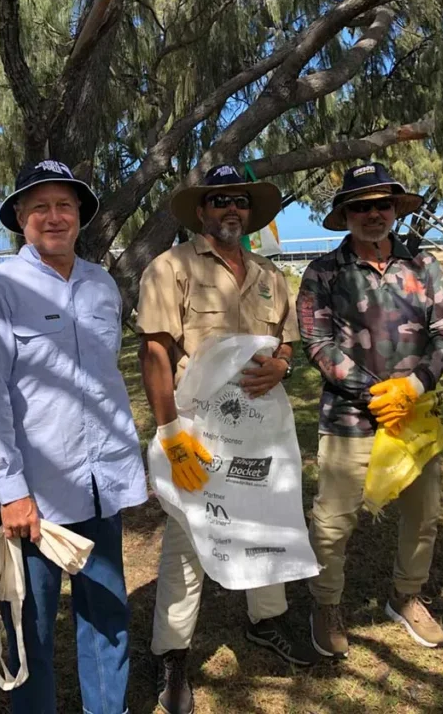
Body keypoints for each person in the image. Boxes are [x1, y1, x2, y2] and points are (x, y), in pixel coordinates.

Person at [0, 159, 147, 714]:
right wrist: (12, 491)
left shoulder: (101, 285)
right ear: (20, 217)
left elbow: (104, 382)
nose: (53, 216)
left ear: (80, 215)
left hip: (99, 485)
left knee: (107, 614)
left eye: (64, 204)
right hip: (34, 498)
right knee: (31, 628)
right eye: (39, 206)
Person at [136, 164, 317, 714]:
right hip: (197, 430)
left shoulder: (268, 274)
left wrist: (283, 366)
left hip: (260, 431)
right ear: (202, 212)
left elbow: (287, 342)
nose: (230, 210)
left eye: (239, 201)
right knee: (190, 538)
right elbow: (156, 354)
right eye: (219, 201)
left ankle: (268, 618)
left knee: (269, 516)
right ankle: (172, 656)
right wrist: (170, 434)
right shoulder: (170, 268)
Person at [297, 162, 443, 658]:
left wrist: (413, 386)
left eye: (382, 205)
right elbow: (317, 343)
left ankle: (406, 597)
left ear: (395, 210)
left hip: (417, 416)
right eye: (361, 206)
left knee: (423, 515)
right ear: (346, 214)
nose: (373, 214)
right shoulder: (323, 272)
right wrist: (375, 395)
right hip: (348, 420)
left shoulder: (424, 265)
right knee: (332, 521)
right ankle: (326, 605)